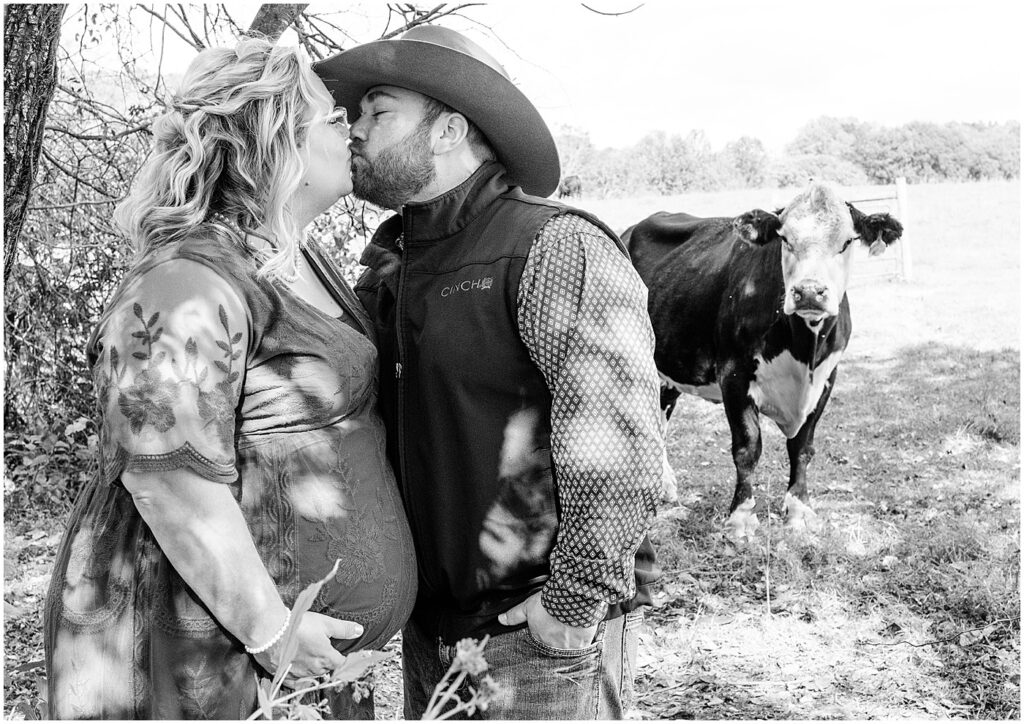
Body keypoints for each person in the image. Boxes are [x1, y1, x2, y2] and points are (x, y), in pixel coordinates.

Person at [42, 38, 417, 720]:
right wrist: (272, 631)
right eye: (333, 117)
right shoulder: (183, 282)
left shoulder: (297, 259)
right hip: (210, 657)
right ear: (274, 136)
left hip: (299, 665)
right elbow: (166, 481)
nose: (351, 130)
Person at [314, 25, 664, 720]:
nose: (355, 129)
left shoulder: (553, 247)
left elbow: (622, 455)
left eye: (378, 112)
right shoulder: (390, 266)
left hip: (535, 642)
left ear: (448, 130)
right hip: (432, 638)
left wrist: (568, 605)